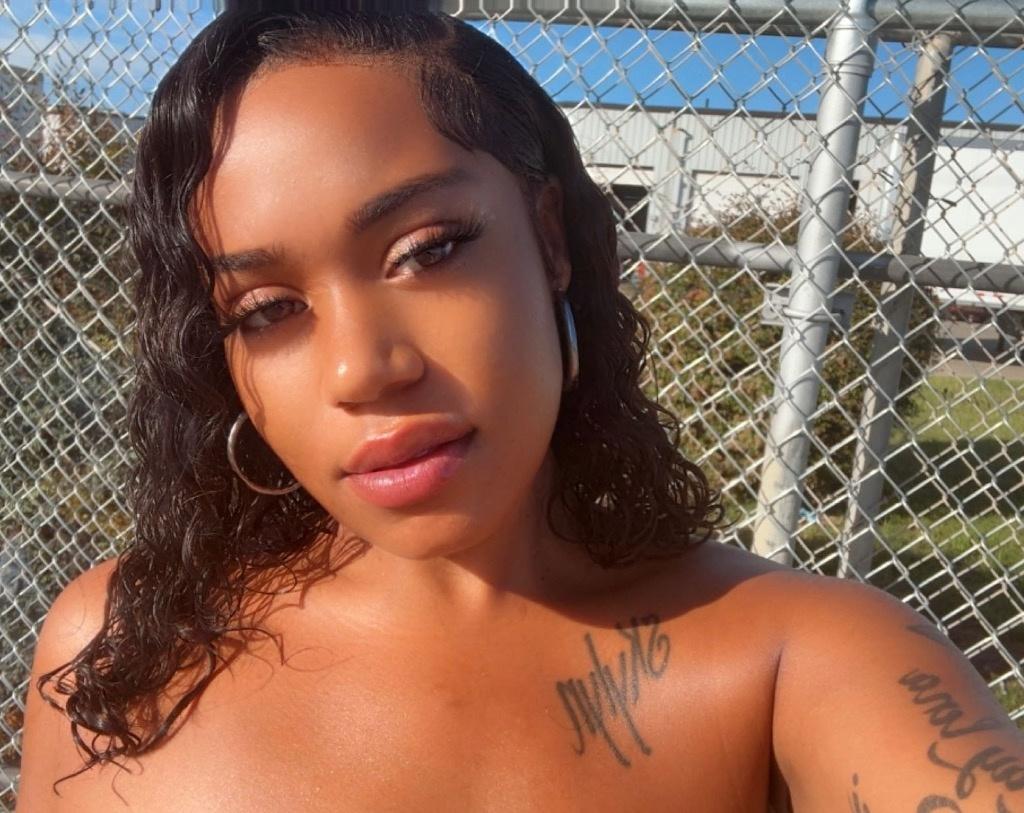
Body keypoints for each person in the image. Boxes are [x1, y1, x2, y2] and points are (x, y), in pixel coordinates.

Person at [16, 9, 1024, 812]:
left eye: (426, 251)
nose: (363, 369)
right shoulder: (116, 643)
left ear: (549, 239)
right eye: (268, 310)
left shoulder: (790, 663)